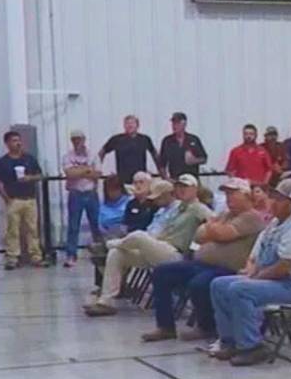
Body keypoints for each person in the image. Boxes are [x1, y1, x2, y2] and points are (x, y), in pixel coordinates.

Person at [206, 186, 291, 365]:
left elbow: (283, 267)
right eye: (272, 197)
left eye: (279, 199)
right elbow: (255, 255)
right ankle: (229, 341)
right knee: (218, 284)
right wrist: (250, 270)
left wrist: (254, 278)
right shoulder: (274, 224)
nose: (272, 203)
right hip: (269, 279)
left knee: (240, 289)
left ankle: (251, 346)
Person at [142, 180, 268, 342]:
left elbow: (223, 234)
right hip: (202, 263)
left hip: (229, 269)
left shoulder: (251, 217)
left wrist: (212, 229)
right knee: (162, 272)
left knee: (199, 283)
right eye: (226, 193)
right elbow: (198, 235)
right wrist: (214, 230)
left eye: (232, 193)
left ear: (246, 195)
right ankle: (165, 326)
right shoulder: (225, 215)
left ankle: (206, 327)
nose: (228, 197)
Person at [84, 176, 210, 315]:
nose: (181, 190)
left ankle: (107, 245)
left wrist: (199, 242)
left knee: (139, 235)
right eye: (179, 186)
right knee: (117, 254)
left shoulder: (199, 208)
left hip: (176, 253)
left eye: (185, 187)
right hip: (159, 249)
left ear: (195, 189)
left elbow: (212, 221)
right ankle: (105, 302)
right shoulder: (178, 208)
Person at [0, 130, 46, 269]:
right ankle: (12, 257)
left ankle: (36, 256)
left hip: (29, 199)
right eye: (14, 140)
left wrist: (29, 178)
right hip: (13, 199)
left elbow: (40, 175)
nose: (18, 143)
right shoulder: (3, 162)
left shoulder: (29, 159)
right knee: (13, 230)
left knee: (32, 229)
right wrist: (6, 198)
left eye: (19, 140)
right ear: (7, 143)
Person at [59, 129, 103, 268]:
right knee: (73, 226)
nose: (77, 141)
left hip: (91, 193)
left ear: (84, 140)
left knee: (96, 224)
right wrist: (87, 169)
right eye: (74, 139)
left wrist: (79, 171)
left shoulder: (93, 155)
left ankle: (100, 252)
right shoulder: (67, 156)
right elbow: (69, 173)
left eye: (79, 139)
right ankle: (71, 255)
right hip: (75, 193)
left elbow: (97, 174)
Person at [97, 115, 158, 185]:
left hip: (140, 179)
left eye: (132, 123)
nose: (129, 125)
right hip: (122, 179)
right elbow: (102, 153)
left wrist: (159, 170)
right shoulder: (116, 139)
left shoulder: (145, 139)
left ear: (138, 125)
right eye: (127, 123)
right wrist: (98, 168)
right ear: (124, 125)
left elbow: (155, 154)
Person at [157, 112, 207, 179]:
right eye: (173, 123)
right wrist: (166, 178)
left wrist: (193, 160)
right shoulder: (167, 141)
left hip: (191, 179)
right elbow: (161, 163)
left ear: (184, 124)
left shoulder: (193, 139)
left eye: (177, 123)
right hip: (175, 179)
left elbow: (204, 158)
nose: (174, 126)